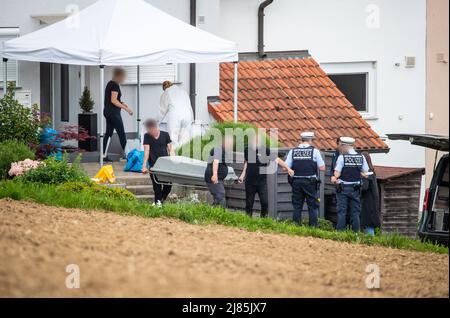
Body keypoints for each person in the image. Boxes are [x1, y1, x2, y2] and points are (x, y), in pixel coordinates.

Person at [278, 132, 326, 227]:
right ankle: (313, 228)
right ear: (310, 140)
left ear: (302, 140)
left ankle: (296, 227)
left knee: (297, 206)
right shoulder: (315, 151)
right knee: (312, 206)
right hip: (310, 182)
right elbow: (322, 168)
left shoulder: (293, 151)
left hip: (296, 182)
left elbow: (285, 168)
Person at [332, 137, 369, 232]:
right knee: (355, 212)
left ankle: (340, 233)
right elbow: (365, 172)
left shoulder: (342, 157)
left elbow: (337, 174)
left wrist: (333, 178)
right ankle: (356, 234)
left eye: (341, 146)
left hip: (343, 188)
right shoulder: (361, 157)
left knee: (342, 212)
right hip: (356, 188)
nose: (340, 148)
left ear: (345, 146)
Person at [103, 68, 134, 161]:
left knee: (108, 133)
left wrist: (122, 103)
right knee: (121, 134)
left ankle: (103, 155)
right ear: (119, 76)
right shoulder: (114, 85)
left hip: (108, 112)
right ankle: (129, 156)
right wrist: (126, 109)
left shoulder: (110, 83)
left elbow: (113, 99)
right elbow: (113, 100)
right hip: (113, 113)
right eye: (123, 76)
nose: (124, 78)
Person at [142, 119, 174, 207]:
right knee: (157, 186)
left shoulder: (165, 135)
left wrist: (173, 161)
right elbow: (146, 152)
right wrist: (144, 166)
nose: (150, 131)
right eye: (148, 130)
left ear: (155, 127)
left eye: (151, 129)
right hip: (154, 165)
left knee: (168, 186)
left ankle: (160, 201)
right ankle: (157, 204)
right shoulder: (147, 136)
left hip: (166, 164)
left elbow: (171, 149)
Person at [238, 133, 271, 218]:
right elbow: (246, 162)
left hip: (262, 182)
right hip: (250, 181)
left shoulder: (266, 150)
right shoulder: (247, 150)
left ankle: (263, 220)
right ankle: (248, 220)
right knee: (249, 203)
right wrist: (242, 175)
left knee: (265, 202)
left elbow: (274, 159)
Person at [159, 81, 194, 149]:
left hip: (175, 116)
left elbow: (161, 110)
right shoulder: (183, 91)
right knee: (185, 140)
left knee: (173, 139)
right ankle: (184, 158)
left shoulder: (166, 92)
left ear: (164, 88)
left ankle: (174, 158)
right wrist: (192, 120)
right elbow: (189, 106)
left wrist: (156, 122)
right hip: (187, 116)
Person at [204, 135, 234, 208]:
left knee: (219, 196)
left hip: (218, 178)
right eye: (230, 143)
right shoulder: (218, 149)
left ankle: (212, 213)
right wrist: (214, 175)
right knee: (220, 195)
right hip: (213, 176)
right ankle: (220, 214)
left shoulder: (222, 150)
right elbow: (215, 162)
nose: (231, 145)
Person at [361, 152, 381, 236]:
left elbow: (364, 188)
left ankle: (370, 243)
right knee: (369, 225)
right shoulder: (372, 172)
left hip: (368, 204)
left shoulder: (367, 173)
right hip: (372, 203)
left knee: (368, 225)